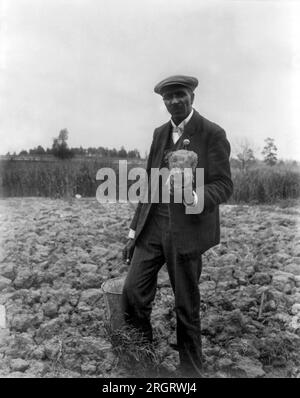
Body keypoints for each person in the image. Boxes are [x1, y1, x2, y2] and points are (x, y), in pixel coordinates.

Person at [122, 75, 233, 377]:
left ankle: (191, 374)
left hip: (187, 232)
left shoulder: (211, 133)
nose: (174, 101)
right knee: (132, 292)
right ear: (163, 102)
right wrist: (134, 232)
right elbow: (148, 184)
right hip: (153, 227)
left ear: (192, 97)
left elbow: (224, 184)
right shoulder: (160, 134)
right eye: (168, 97)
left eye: (180, 95)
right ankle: (143, 366)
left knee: (186, 307)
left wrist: (196, 196)